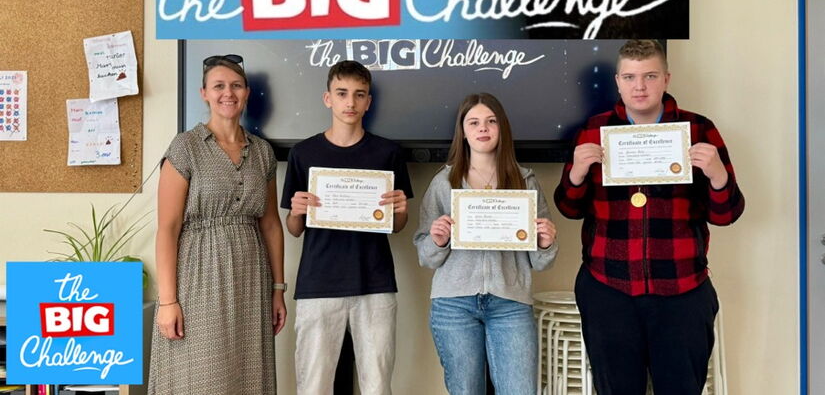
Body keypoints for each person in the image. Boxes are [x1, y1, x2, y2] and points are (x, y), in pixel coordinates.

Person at [554, 39, 745, 395]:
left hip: (682, 288)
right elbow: (569, 208)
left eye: (650, 76)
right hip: (607, 287)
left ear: (666, 79)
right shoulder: (593, 130)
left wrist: (718, 175)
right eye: (629, 77)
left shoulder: (699, 129)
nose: (639, 86)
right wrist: (577, 173)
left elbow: (726, 214)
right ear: (617, 82)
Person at [149, 54, 286, 394]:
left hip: (251, 278)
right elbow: (167, 228)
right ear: (204, 93)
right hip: (198, 276)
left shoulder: (263, 152)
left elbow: (271, 224)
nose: (228, 93)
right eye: (219, 86)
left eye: (236, 85)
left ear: (247, 93)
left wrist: (278, 290)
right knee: (200, 374)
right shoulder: (185, 147)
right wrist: (168, 301)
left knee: (247, 373)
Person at [281, 60, 413, 395]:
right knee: (313, 385)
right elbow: (294, 228)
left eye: (359, 94)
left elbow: (397, 226)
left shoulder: (388, 153)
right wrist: (296, 212)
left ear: (369, 101)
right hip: (318, 283)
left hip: (375, 282)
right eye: (342, 93)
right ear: (328, 99)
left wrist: (401, 211)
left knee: (377, 385)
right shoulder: (303, 153)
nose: (350, 102)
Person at [414, 92, 558, 395]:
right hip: (454, 304)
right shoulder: (444, 183)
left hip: (510, 303)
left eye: (491, 121)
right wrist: (438, 240)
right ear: (463, 132)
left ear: (501, 128)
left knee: (520, 390)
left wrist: (545, 243)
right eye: (474, 122)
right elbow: (426, 256)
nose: (483, 128)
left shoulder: (525, 181)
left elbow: (541, 261)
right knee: (466, 390)